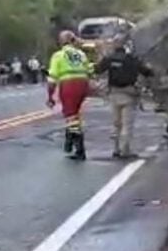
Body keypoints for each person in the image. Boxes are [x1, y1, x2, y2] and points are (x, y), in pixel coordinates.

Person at [94, 33, 154, 159]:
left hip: (114, 93)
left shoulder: (109, 58)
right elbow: (147, 72)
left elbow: (98, 69)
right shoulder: (131, 59)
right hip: (129, 94)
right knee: (127, 124)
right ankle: (125, 150)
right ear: (125, 45)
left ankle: (116, 149)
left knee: (116, 123)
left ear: (115, 45)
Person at [47, 31, 93, 160]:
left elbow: (52, 79)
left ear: (62, 41)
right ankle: (69, 143)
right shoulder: (81, 54)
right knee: (74, 115)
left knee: (71, 117)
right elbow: (90, 71)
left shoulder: (58, 56)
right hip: (83, 85)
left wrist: (50, 96)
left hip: (69, 85)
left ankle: (80, 150)